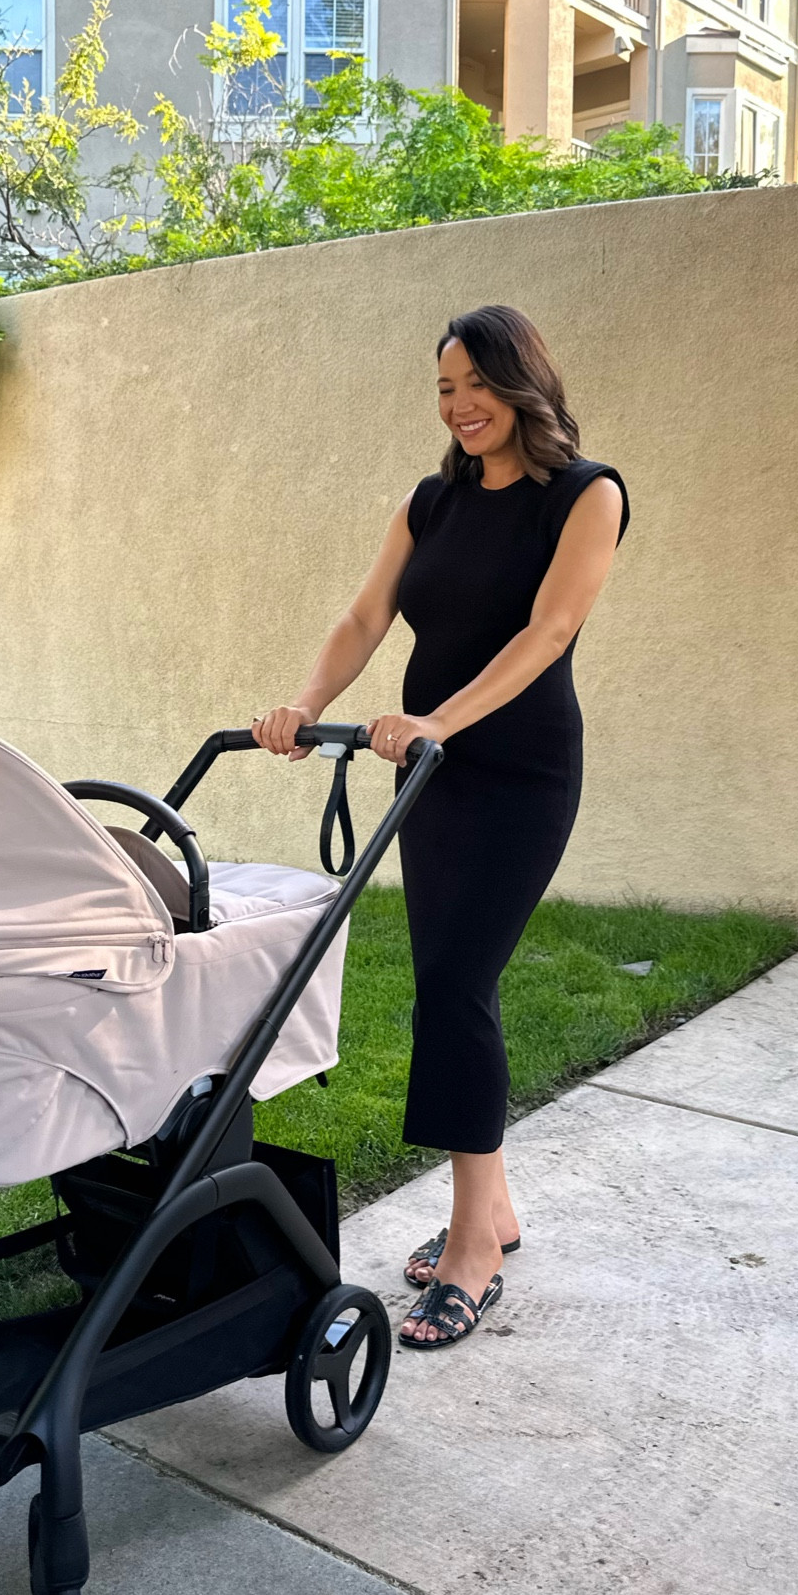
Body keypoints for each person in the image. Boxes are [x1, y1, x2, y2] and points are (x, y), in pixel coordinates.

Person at [254, 305, 627, 1348]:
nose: (460, 407)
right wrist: (302, 700)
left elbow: (549, 633)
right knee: (449, 988)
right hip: (432, 778)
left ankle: (472, 1250)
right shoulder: (431, 503)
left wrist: (434, 722)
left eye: (475, 385)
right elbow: (366, 616)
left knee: (457, 991)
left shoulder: (588, 496)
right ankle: (494, 1208)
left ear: (522, 384)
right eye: (443, 390)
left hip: (519, 769)